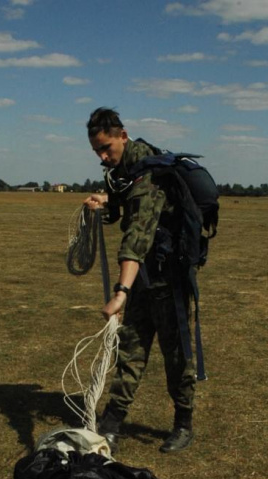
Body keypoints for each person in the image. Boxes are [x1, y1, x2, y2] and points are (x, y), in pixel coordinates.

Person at [84, 106, 198, 455]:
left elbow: (138, 235)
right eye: (97, 152)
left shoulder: (148, 172)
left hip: (168, 281)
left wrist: (121, 291)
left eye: (107, 148)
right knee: (131, 350)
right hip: (143, 280)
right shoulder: (124, 171)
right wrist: (104, 201)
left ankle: (183, 423)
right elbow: (122, 207)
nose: (104, 157)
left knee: (176, 355)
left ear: (123, 135)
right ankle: (112, 424)